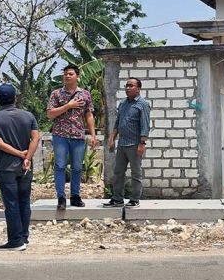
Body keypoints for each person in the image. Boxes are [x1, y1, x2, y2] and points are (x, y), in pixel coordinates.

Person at [0, 84, 40, 251]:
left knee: (11, 204)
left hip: (6, 167)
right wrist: (27, 157)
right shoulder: (28, 116)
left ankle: (16, 241)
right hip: (26, 167)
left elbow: (0, 144)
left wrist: (19, 154)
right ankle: (24, 236)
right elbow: (35, 138)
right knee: (25, 201)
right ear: (15, 98)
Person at [47, 65, 97, 210]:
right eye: (65, 74)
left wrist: (93, 135)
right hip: (60, 135)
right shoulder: (56, 94)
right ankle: (61, 198)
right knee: (60, 166)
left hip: (78, 135)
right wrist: (69, 105)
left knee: (77, 167)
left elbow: (89, 114)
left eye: (70, 74)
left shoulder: (85, 94)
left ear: (77, 76)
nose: (67, 76)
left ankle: (75, 196)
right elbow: (50, 114)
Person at [104, 78, 151, 208]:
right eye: (126, 86)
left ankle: (134, 199)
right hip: (122, 144)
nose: (128, 88)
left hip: (135, 144)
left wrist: (142, 143)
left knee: (136, 173)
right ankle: (117, 199)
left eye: (131, 86)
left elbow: (145, 125)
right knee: (118, 172)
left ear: (138, 88)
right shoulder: (123, 104)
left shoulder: (142, 104)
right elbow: (118, 122)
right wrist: (112, 137)